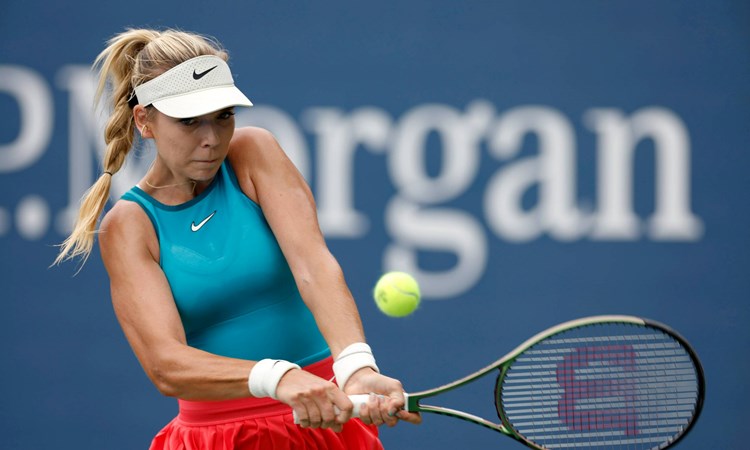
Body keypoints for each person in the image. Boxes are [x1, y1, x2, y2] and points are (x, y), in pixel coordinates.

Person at [55, 27, 421, 449]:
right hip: (219, 437)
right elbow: (165, 365)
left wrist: (356, 365)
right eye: (189, 121)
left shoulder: (254, 152)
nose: (211, 139)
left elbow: (314, 266)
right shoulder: (129, 225)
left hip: (327, 423)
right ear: (145, 120)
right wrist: (277, 377)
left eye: (223, 115)